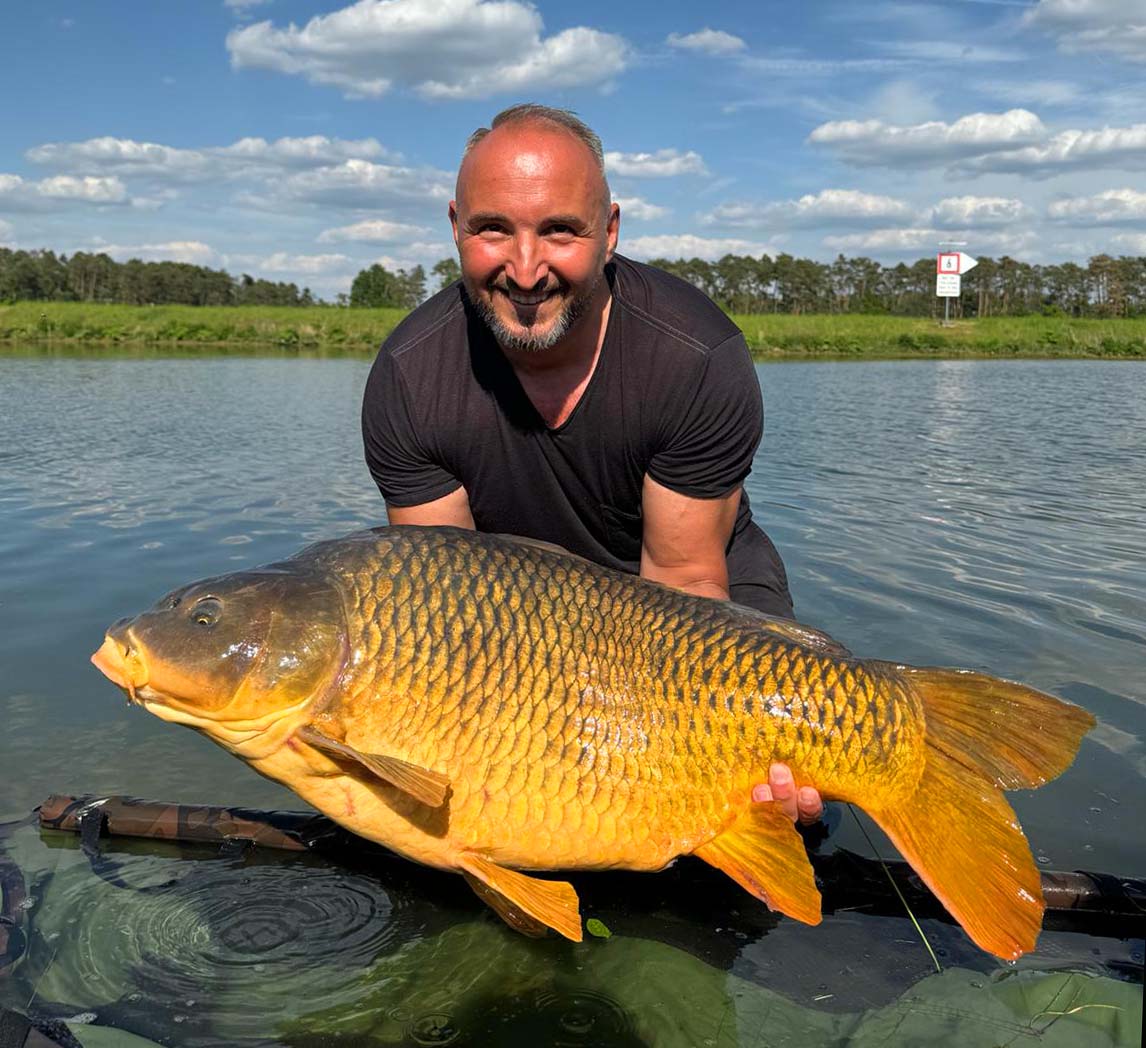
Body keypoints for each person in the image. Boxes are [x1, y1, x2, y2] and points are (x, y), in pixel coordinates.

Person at [362, 103, 822, 824]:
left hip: (697, 609)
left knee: (767, 801)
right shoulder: (409, 377)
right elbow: (447, 608)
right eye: (493, 229)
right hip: (514, 631)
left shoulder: (695, 356)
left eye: (559, 231)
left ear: (608, 232)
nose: (524, 269)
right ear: (455, 226)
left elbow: (685, 580)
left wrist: (701, 753)